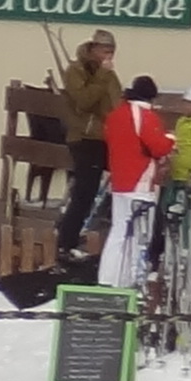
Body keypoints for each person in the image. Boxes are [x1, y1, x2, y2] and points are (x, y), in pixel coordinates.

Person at [50, 35, 123, 262]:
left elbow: (115, 103)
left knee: (111, 185)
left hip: (105, 137)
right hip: (84, 137)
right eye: (104, 51)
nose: (108, 56)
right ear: (92, 50)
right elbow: (83, 101)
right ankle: (66, 242)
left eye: (111, 51)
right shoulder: (77, 71)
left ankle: (92, 235)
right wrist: (101, 76)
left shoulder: (108, 74)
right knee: (85, 191)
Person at [97, 73, 172, 292]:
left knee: (119, 230)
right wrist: (171, 140)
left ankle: (108, 278)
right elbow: (158, 147)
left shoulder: (115, 115)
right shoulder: (145, 116)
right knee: (139, 235)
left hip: (119, 180)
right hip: (140, 181)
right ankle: (129, 281)